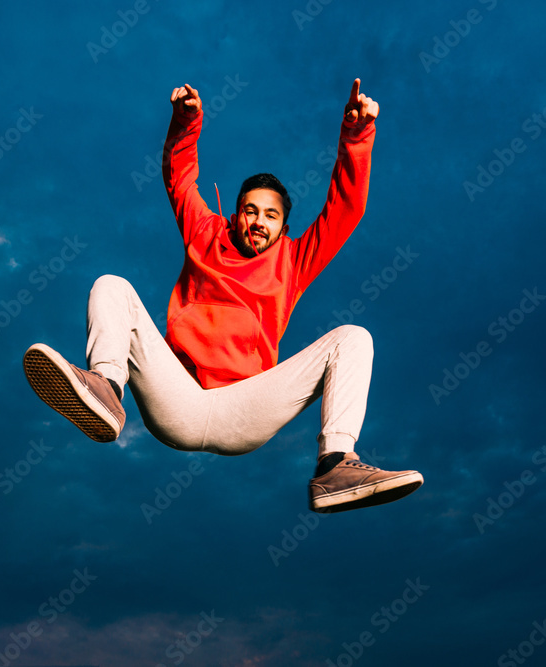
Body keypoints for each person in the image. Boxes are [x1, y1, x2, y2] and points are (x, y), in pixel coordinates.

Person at [23, 78, 423, 513]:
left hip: (244, 408)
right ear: (236, 214)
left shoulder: (294, 260)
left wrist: (357, 135)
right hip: (177, 397)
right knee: (111, 285)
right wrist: (187, 120)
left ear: (283, 227)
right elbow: (179, 178)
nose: (258, 222)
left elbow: (344, 210)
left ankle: (336, 464)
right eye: (250, 210)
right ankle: (105, 387)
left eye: (270, 216)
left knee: (354, 338)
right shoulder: (205, 232)